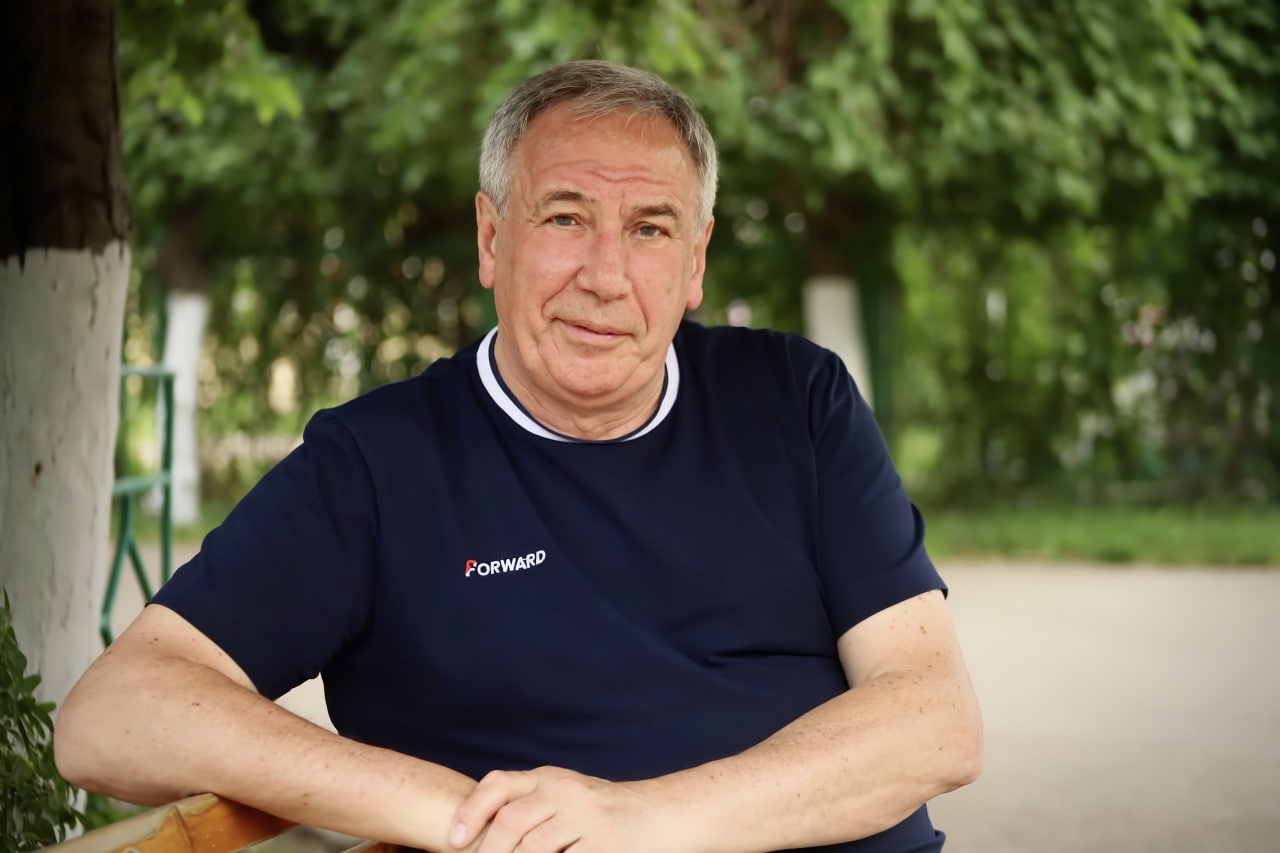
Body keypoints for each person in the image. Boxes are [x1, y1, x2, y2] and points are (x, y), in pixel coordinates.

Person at [55, 60, 982, 853]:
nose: (606, 276)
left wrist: (642, 819)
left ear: (696, 261)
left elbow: (936, 719)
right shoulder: (380, 465)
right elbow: (111, 716)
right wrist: (461, 812)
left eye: (650, 228)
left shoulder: (797, 399)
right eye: (566, 218)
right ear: (492, 238)